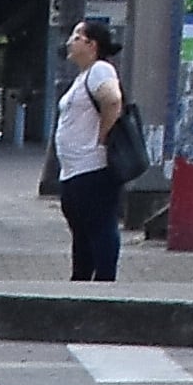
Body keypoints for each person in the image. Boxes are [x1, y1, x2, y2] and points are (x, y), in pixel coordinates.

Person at [53, 17, 127, 282]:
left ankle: (104, 284)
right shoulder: (83, 76)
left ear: (92, 45)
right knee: (82, 233)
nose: (69, 42)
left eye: (76, 37)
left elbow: (113, 100)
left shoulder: (100, 70)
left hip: (92, 168)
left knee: (100, 228)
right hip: (74, 171)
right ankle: (81, 284)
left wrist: (101, 137)